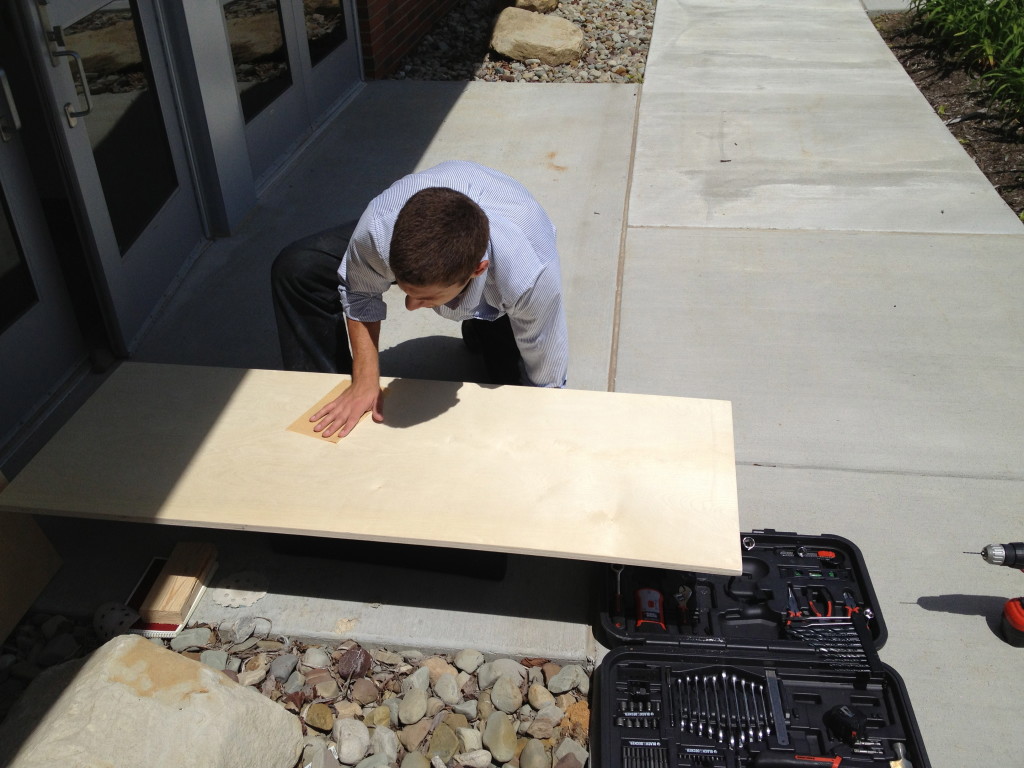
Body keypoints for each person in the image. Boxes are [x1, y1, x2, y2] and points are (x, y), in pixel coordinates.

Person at [271, 160, 569, 439]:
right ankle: (329, 394)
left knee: (513, 391)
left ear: (477, 271)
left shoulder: (530, 275)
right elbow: (360, 290)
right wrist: (365, 377)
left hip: (503, 256)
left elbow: (547, 382)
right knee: (298, 268)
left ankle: (482, 322)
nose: (410, 307)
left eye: (426, 298)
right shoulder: (378, 230)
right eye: (404, 289)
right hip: (426, 218)